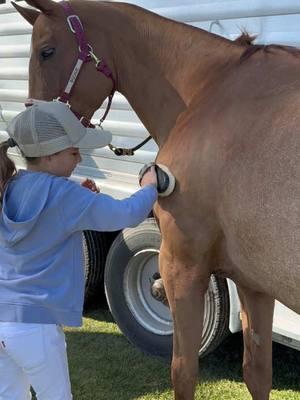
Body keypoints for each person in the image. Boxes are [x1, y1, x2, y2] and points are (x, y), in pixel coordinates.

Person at [0, 101, 157, 400]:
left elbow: (46, 214)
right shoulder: (66, 194)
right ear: (48, 156)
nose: (80, 157)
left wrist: (78, 199)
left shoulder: (10, 184)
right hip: (37, 327)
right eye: (73, 151)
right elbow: (126, 214)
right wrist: (150, 186)